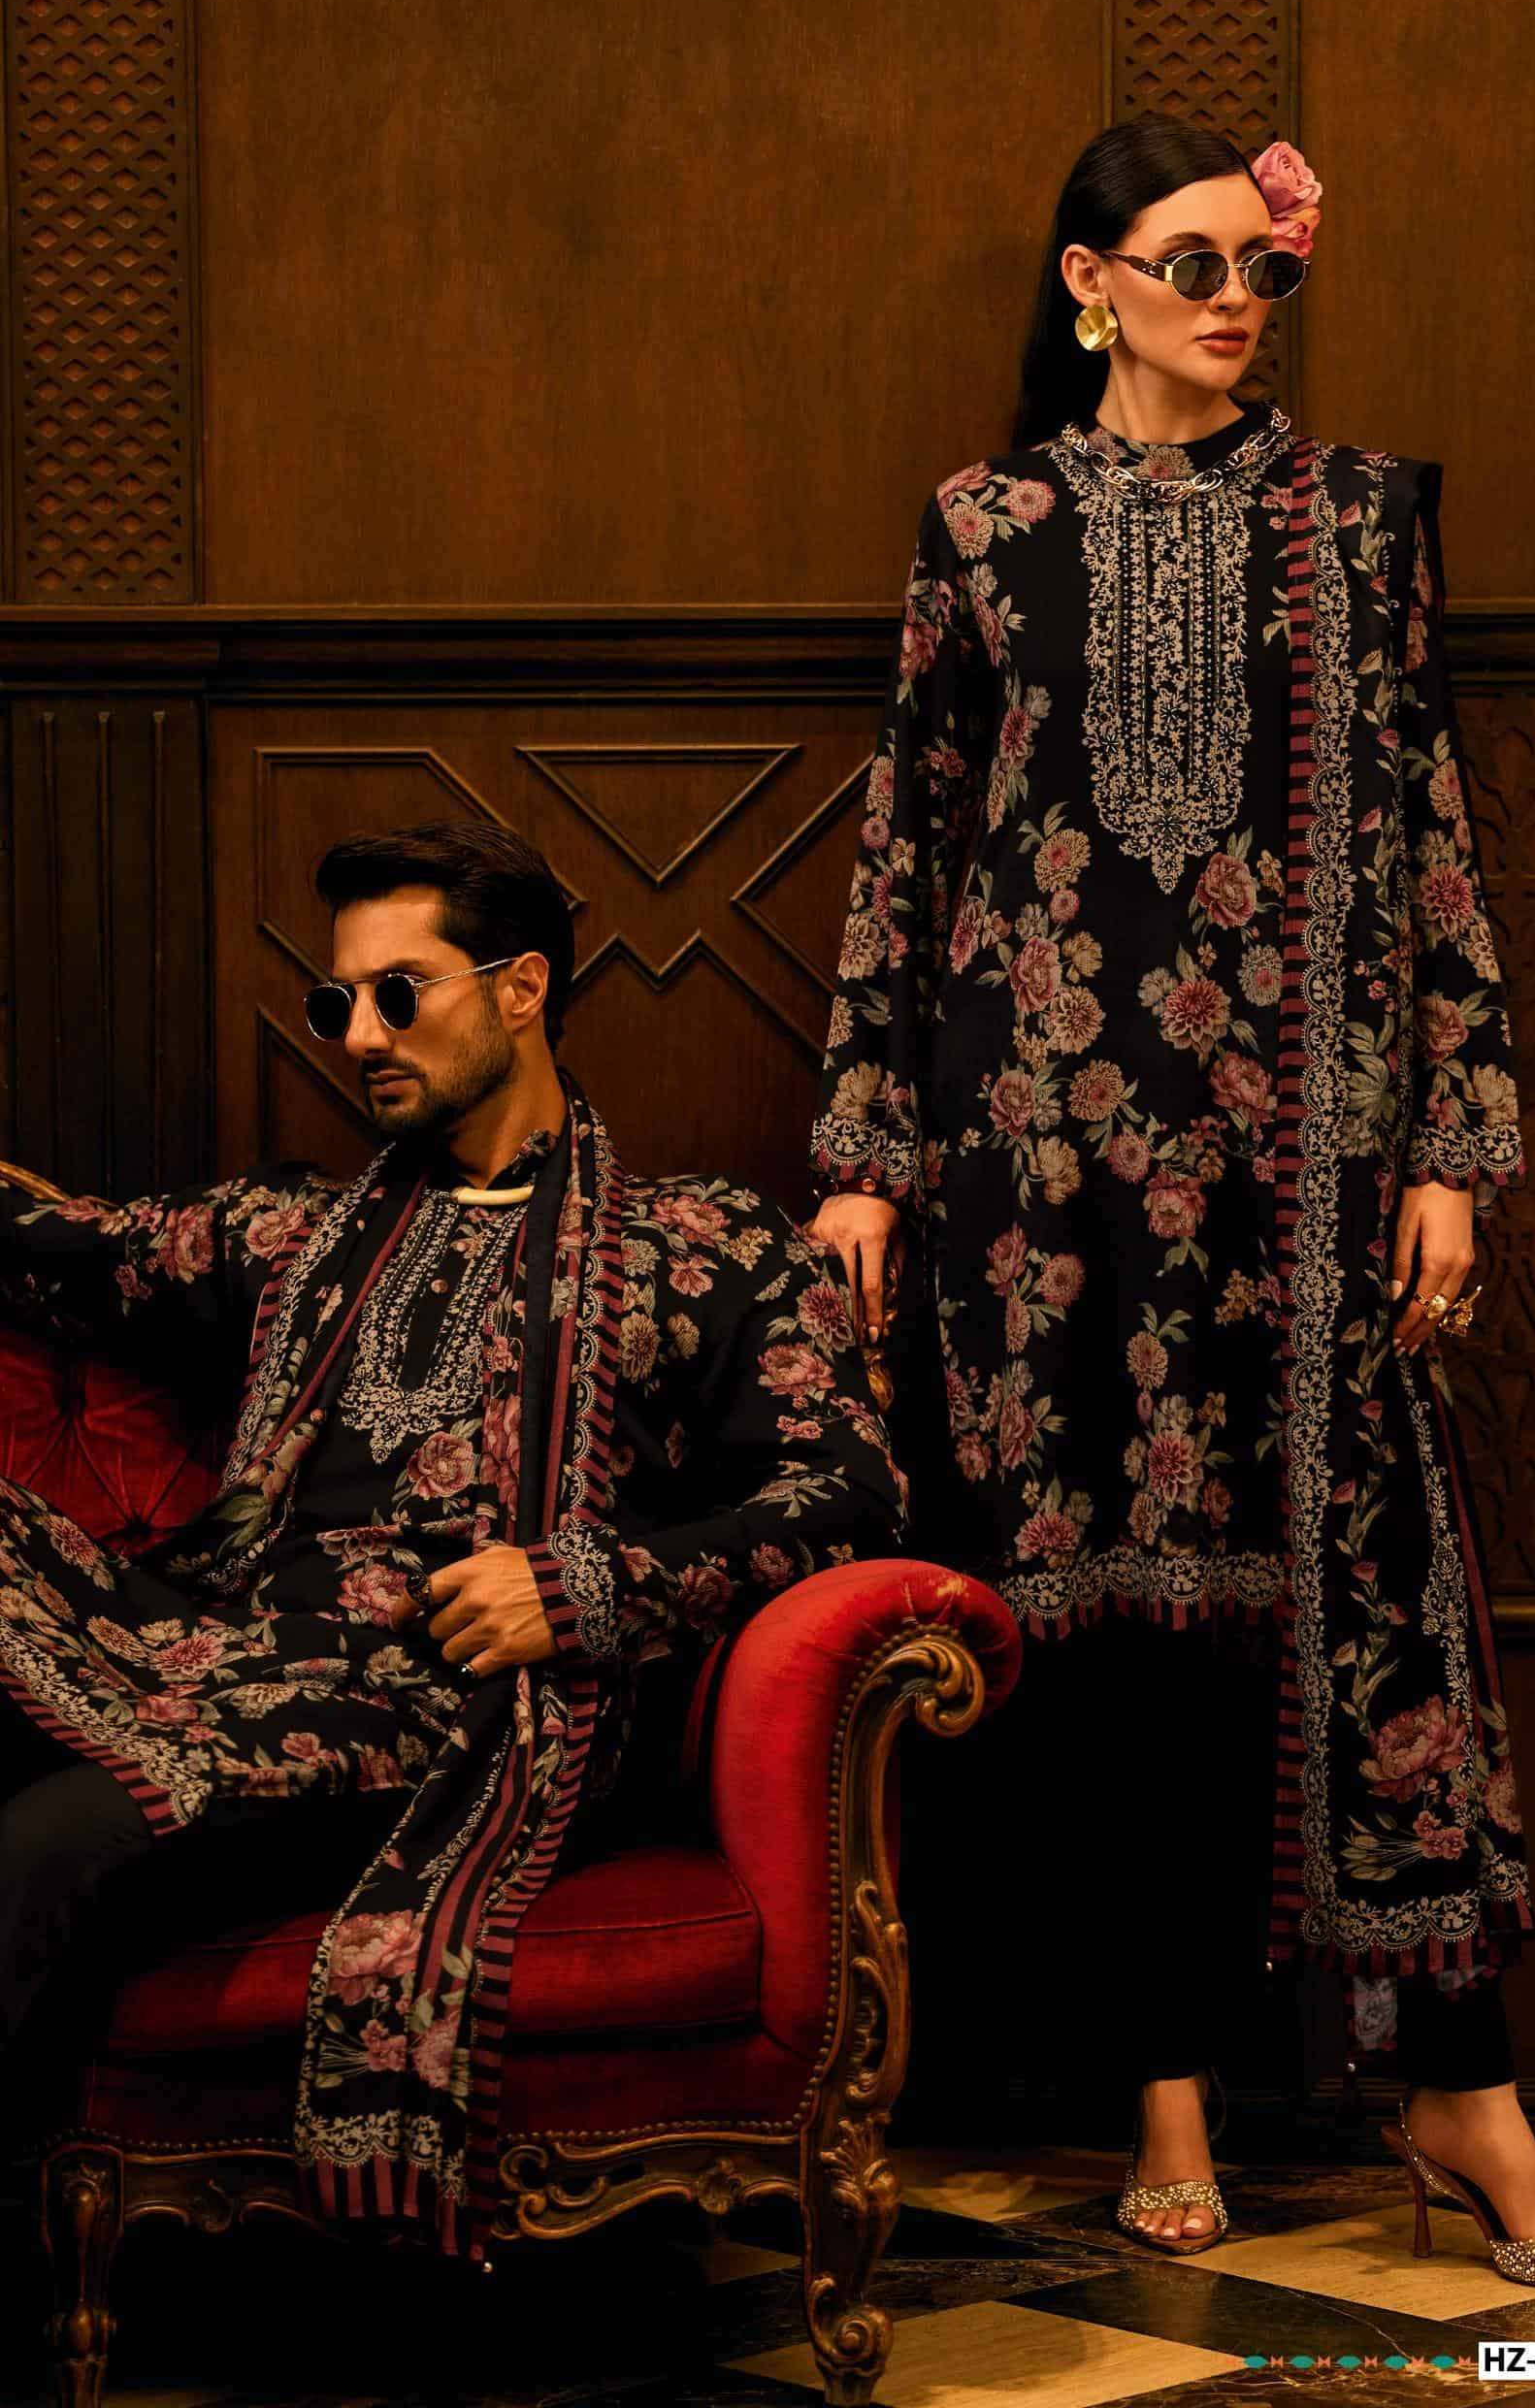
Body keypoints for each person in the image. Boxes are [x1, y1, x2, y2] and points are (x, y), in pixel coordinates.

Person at [806, 116, 1535, 2290]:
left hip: (1303, 1158)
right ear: (1090, 280)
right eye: (1192, 262)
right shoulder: (985, 527)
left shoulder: (1352, 518)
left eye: (1266, 266)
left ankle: (1457, 2083)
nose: (1237, 299)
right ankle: (1160, 2076)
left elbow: (1429, 822)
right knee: (1100, 1629)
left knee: (1367, 1593)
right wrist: (866, 1157)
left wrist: (1453, 1143)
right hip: (1039, 1166)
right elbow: (913, 841)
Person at [0, 818, 903, 2260]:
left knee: (52, 1843)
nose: (359, 1035)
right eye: (337, 1002)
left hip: (443, 1718)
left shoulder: (703, 1247)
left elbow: (849, 1496)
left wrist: (584, 1587)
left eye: (398, 994)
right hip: (207, 1657)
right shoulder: (290, 1234)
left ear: (522, 988)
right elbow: (60, 1250)